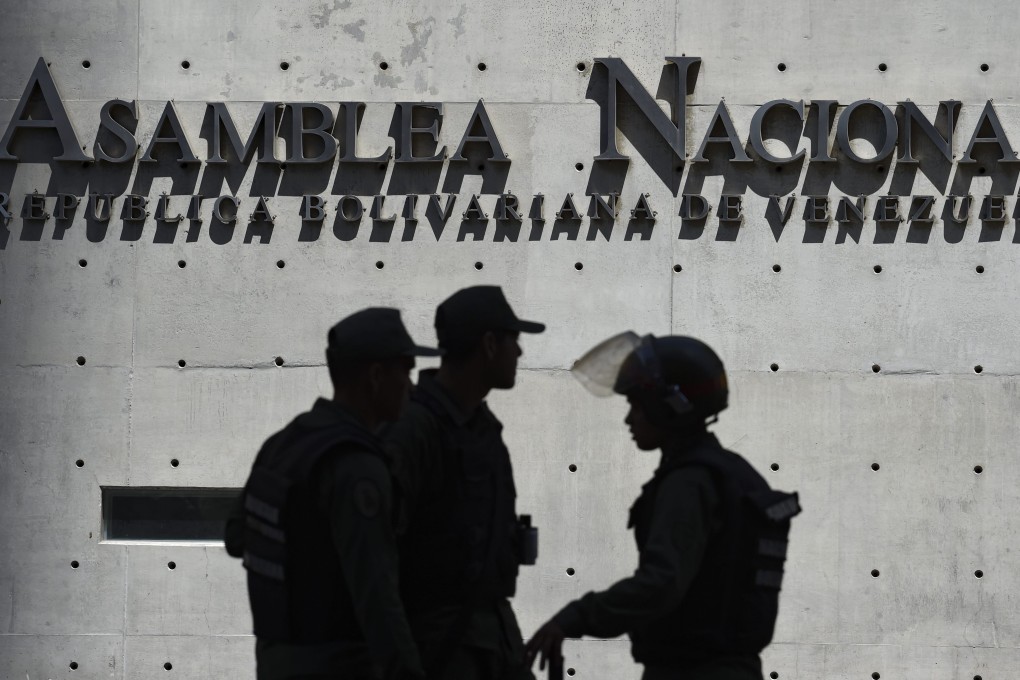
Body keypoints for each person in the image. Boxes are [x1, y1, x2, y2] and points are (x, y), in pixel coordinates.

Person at [527, 332, 801, 680]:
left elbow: (660, 584)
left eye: (636, 406)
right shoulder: (736, 474)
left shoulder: (690, 482)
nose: (629, 420)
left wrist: (572, 618)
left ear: (671, 405)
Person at [224, 308, 441, 680]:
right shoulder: (357, 466)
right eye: (405, 371)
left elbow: (236, 538)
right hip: (338, 665)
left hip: (277, 661)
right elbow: (377, 595)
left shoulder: (283, 443)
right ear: (375, 377)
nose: (412, 386)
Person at [384, 285, 545, 680]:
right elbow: (376, 551)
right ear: (489, 344)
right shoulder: (414, 430)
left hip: (492, 637)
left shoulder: (482, 427)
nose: (520, 353)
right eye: (514, 341)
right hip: (439, 647)